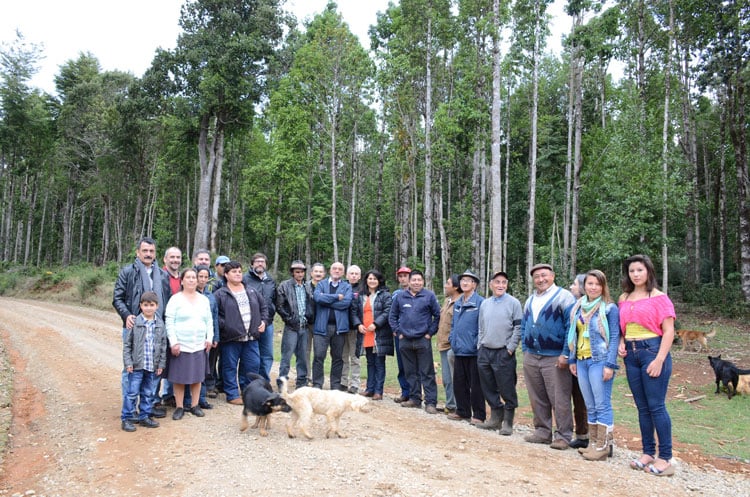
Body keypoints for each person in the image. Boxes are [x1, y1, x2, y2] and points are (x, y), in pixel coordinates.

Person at [618, 254, 676, 476]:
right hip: (631, 355)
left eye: (640, 270)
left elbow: (669, 331)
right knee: (642, 407)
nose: (635, 274)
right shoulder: (624, 297)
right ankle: (648, 452)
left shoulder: (660, 298)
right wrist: (621, 343)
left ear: (649, 272)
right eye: (632, 271)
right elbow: (623, 328)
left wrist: (660, 359)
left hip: (652, 351)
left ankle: (665, 457)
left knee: (656, 406)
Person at [564, 270, 620, 460]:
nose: (593, 287)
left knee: (602, 403)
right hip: (581, 360)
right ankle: (594, 443)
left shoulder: (609, 309)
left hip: (600, 360)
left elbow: (614, 338)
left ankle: (604, 446)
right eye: (590, 284)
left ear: (603, 287)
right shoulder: (578, 307)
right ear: (584, 286)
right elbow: (574, 333)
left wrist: (610, 364)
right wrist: (572, 359)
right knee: (590, 404)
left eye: (598, 284)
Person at [113, 236, 170, 419]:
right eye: (144, 251)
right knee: (131, 368)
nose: (148, 254)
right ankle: (129, 408)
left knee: (152, 368)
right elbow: (117, 298)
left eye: (151, 251)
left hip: (156, 327)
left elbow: (166, 300)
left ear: (155, 254)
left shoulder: (162, 274)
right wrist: (126, 315)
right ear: (138, 252)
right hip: (134, 327)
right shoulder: (128, 272)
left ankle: (148, 406)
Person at [521, 263, 576, 450]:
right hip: (532, 355)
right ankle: (543, 431)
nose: (540, 279)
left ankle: (564, 435)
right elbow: (524, 325)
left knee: (559, 397)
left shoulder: (564, 297)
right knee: (537, 395)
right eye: (536, 277)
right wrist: (524, 347)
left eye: (544, 275)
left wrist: (566, 353)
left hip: (554, 356)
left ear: (552, 276)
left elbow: (572, 326)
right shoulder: (530, 300)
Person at [214, 260, 268, 405]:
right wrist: (227, 326)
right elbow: (215, 315)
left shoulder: (251, 291)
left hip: (251, 337)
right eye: (234, 271)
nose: (238, 274)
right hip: (231, 338)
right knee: (229, 366)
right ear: (226, 275)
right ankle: (232, 394)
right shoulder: (220, 294)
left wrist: (263, 321)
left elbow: (264, 308)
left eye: (239, 271)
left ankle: (248, 393)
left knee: (252, 366)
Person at [476, 270, 523, 435]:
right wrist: (479, 345)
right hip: (485, 351)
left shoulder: (514, 303)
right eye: (497, 282)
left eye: (504, 282)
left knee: (506, 387)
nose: (500, 285)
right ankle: (495, 418)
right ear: (491, 285)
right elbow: (481, 326)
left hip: (503, 352)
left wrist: (510, 348)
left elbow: (518, 327)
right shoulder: (485, 303)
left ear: (507, 285)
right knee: (487, 386)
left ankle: (508, 422)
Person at [388, 269, 441, 414]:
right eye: (414, 280)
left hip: (422, 339)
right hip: (405, 340)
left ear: (423, 281)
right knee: (410, 372)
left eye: (419, 280)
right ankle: (415, 399)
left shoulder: (429, 296)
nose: (417, 282)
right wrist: (398, 332)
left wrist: (430, 333)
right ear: (409, 282)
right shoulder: (400, 297)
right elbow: (392, 316)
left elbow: (437, 316)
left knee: (427, 372)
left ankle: (431, 402)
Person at [164, 268, 213, 421]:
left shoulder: (203, 299)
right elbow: (169, 321)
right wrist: (173, 342)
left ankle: (194, 405)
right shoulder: (175, 299)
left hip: (198, 344)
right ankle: (179, 407)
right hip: (181, 345)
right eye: (188, 277)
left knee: (197, 377)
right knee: (179, 378)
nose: (192, 280)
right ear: (182, 281)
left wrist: (209, 338)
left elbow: (209, 321)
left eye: (194, 277)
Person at [121, 291, 167, 432]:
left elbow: (163, 345)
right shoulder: (135, 323)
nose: (148, 308)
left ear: (157, 306)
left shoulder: (159, 324)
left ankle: (144, 416)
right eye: (145, 305)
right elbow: (127, 345)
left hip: (152, 366)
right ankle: (127, 417)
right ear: (141, 306)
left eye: (151, 305)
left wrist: (161, 364)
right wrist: (128, 363)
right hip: (137, 365)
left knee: (148, 392)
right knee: (132, 392)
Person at [448, 270, 486, 424]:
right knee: (459, 382)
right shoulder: (457, 303)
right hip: (459, 350)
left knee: (476, 385)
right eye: (462, 280)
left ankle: (479, 414)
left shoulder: (480, 303)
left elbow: (483, 326)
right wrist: (453, 340)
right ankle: (462, 411)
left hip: (473, 351)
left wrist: (476, 344)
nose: (464, 283)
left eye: (468, 281)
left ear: (474, 285)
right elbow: (454, 325)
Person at [349, 269, 393, 400]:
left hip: (379, 333)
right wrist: (358, 324)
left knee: (379, 362)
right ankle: (369, 388)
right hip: (365, 333)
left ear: (379, 281)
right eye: (370, 278)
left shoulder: (385, 295)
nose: (372, 281)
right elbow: (354, 312)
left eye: (375, 278)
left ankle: (378, 391)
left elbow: (387, 311)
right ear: (366, 280)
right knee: (370, 362)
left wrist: (376, 324)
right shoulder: (360, 295)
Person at [312, 262, 352, 390]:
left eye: (340, 269)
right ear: (330, 270)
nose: (337, 271)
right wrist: (336, 297)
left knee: (337, 357)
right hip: (321, 327)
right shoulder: (322, 284)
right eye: (334, 268)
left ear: (343, 272)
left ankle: (335, 385)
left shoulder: (346, 286)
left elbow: (346, 303)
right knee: (318, 356)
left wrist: (327, 300)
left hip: (339, 328)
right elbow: (318, 298)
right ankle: (317, 384)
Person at [275, 260, 314, 389]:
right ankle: (282, 382)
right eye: (297, 271)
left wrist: (309, 315)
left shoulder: (307, 286)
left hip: (304, 326)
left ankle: (301, 382)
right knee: (287, 356)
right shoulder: (284, 286)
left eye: (302, 271)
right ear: (292, 272)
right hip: (291, 327)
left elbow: (310, 303)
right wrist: (289, 319)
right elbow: (279, 306)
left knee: (302, 356)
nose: (300, 274)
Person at [243, 252, 277, 381]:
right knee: (251, 355)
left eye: (262, 261)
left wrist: (269, 318)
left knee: (267, 355)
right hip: (250, 323)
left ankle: (263, 382)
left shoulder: (270, 281)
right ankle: (250, 382)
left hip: (268, 323)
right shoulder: (245, 279)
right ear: (252, 264)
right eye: (257, 261)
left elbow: (274, 300)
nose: (260, 263)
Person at [567, 273, 590, 449]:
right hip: (577, 358)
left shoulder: (604, 307)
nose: (571, 287)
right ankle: (582, 436)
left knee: (595, 402)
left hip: (594, 360)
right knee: (579, 399)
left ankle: (603, 441)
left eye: (574, 284)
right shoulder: (575, 308)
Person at [195, 265, 219, 408]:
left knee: (205, 368)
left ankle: (202, 398)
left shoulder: (211, 296)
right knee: (193, 368)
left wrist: (215, 337)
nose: (202, 280)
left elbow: (214, 317)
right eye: (200, 277)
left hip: (207, 338)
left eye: (205, 277)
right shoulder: (190, 294)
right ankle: (189, 400)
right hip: (193, 337)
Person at [436, 274, 460, 414]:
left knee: (453, 378)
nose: (445, 285)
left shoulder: (460, 303)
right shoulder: (447, 301)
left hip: (452, 346)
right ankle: (450, 404)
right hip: (442, 344)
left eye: (448, 283)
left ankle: (457, 406)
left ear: (456, 287)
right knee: (446, 379)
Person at [391, 266, 412, 403]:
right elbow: (392, 313)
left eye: (406, 275)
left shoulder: (419, 293)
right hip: (400, 334)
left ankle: (416, 393)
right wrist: (395, 329)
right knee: (402, 364)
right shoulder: (396, 294)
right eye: (401, 276)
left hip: (416, 334)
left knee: (415, 365)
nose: (403, 278)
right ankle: (405, 392)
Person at [341, 264, 362, 393]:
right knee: (343, 356)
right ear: (346, 275)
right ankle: (343, 382)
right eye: (351, 273)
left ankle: (355, 383)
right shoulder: (342, 287)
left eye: (356, 274)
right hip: (342, 326)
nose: (353, 276)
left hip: (356, 328)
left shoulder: (363, 289)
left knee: (355, 357)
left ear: (359, 276)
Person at [306, 262, 326, 381]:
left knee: (319, 353)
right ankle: (307, 376)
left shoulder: (326, 287)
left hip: (321, 324)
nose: (318, 274)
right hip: (307, 323)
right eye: (316, 271)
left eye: (320, 272)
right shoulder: (305, 286)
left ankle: (317, 378)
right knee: (305, 351)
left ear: (324, 274)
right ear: (311, 273)